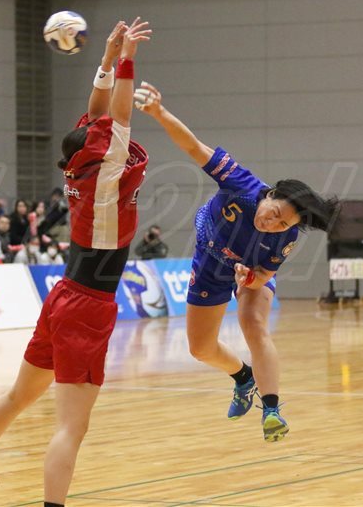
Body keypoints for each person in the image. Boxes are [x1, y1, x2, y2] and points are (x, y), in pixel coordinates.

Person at [0, 18, 151, 506]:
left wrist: (105, 59)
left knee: (20, 395)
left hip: (62, 297)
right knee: (71, 428)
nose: (103, 128)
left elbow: (99, 114)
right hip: (88, 307)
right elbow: (119, 113)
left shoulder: (83, 163)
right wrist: (127, 59)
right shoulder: (107, 169)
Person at [133, 81, 341, 442]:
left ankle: (272, 410)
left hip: (249, 273)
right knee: (200, 348)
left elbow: (263, 275)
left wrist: (250, 280)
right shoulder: (242, 185)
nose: (272, 223)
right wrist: (159, 112)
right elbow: (194, 147)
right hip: (210, 262)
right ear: (270, 194)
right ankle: (243, 377)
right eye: (275, 213)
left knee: (253, 324)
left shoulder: (285, 238)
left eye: (282, 224)